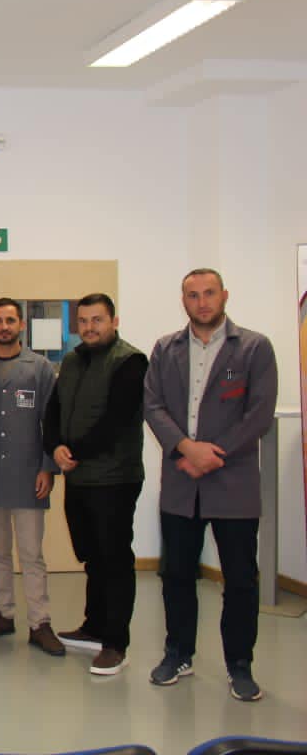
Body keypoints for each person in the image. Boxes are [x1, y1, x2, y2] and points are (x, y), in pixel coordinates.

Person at [143, 269, 278, 701]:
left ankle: (240, 665)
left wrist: (211, 454)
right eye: (192, 295)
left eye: (209, 293)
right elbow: (152, 405)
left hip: (233, 482)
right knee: (177, 575)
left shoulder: (254, 347)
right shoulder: (166, 349)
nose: (201, 302)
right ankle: (178, 653)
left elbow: (259, 414)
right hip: (181, 483)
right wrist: (186, 448)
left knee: (240, 580)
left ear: (224, 296)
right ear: (182, 300)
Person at [42, 293, 147, 676]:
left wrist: (74, 452)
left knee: (114, 560)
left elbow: (117, 419)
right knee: (92, 556)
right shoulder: (72, 360)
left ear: (113, 321)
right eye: (83, 321)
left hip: (115, 478)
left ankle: (116, 644)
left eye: (97, 320)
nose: (89, 327)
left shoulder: (130, 361)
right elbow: (54, 409)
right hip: (79, 477)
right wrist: (54, 445)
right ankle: (94, 626)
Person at [0, 299, 64, 656]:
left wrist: (47, 467)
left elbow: (52, 422)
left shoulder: (40, 368)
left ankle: (40, 622)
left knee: (32, 554)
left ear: (21, 324)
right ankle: (3, 613)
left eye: (10, 320)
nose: (4, 326)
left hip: (28, 476)